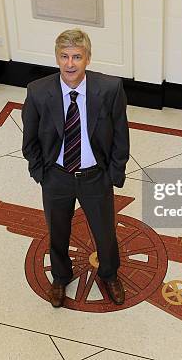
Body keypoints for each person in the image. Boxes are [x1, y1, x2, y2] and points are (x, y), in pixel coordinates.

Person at [21, 29, 130, 308]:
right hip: (56, 176)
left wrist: (113, 174)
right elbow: (29, 139)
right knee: (57, 231)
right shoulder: (38, 92)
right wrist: (40, 172)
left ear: (88, 59)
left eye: (77, 57)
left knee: (105, 231)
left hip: (95, 176)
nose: (70, 64)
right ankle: (60, 277)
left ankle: (109, 274)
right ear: (57, 58)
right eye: (65, 56)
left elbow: (120, 134)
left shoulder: (109, 89)